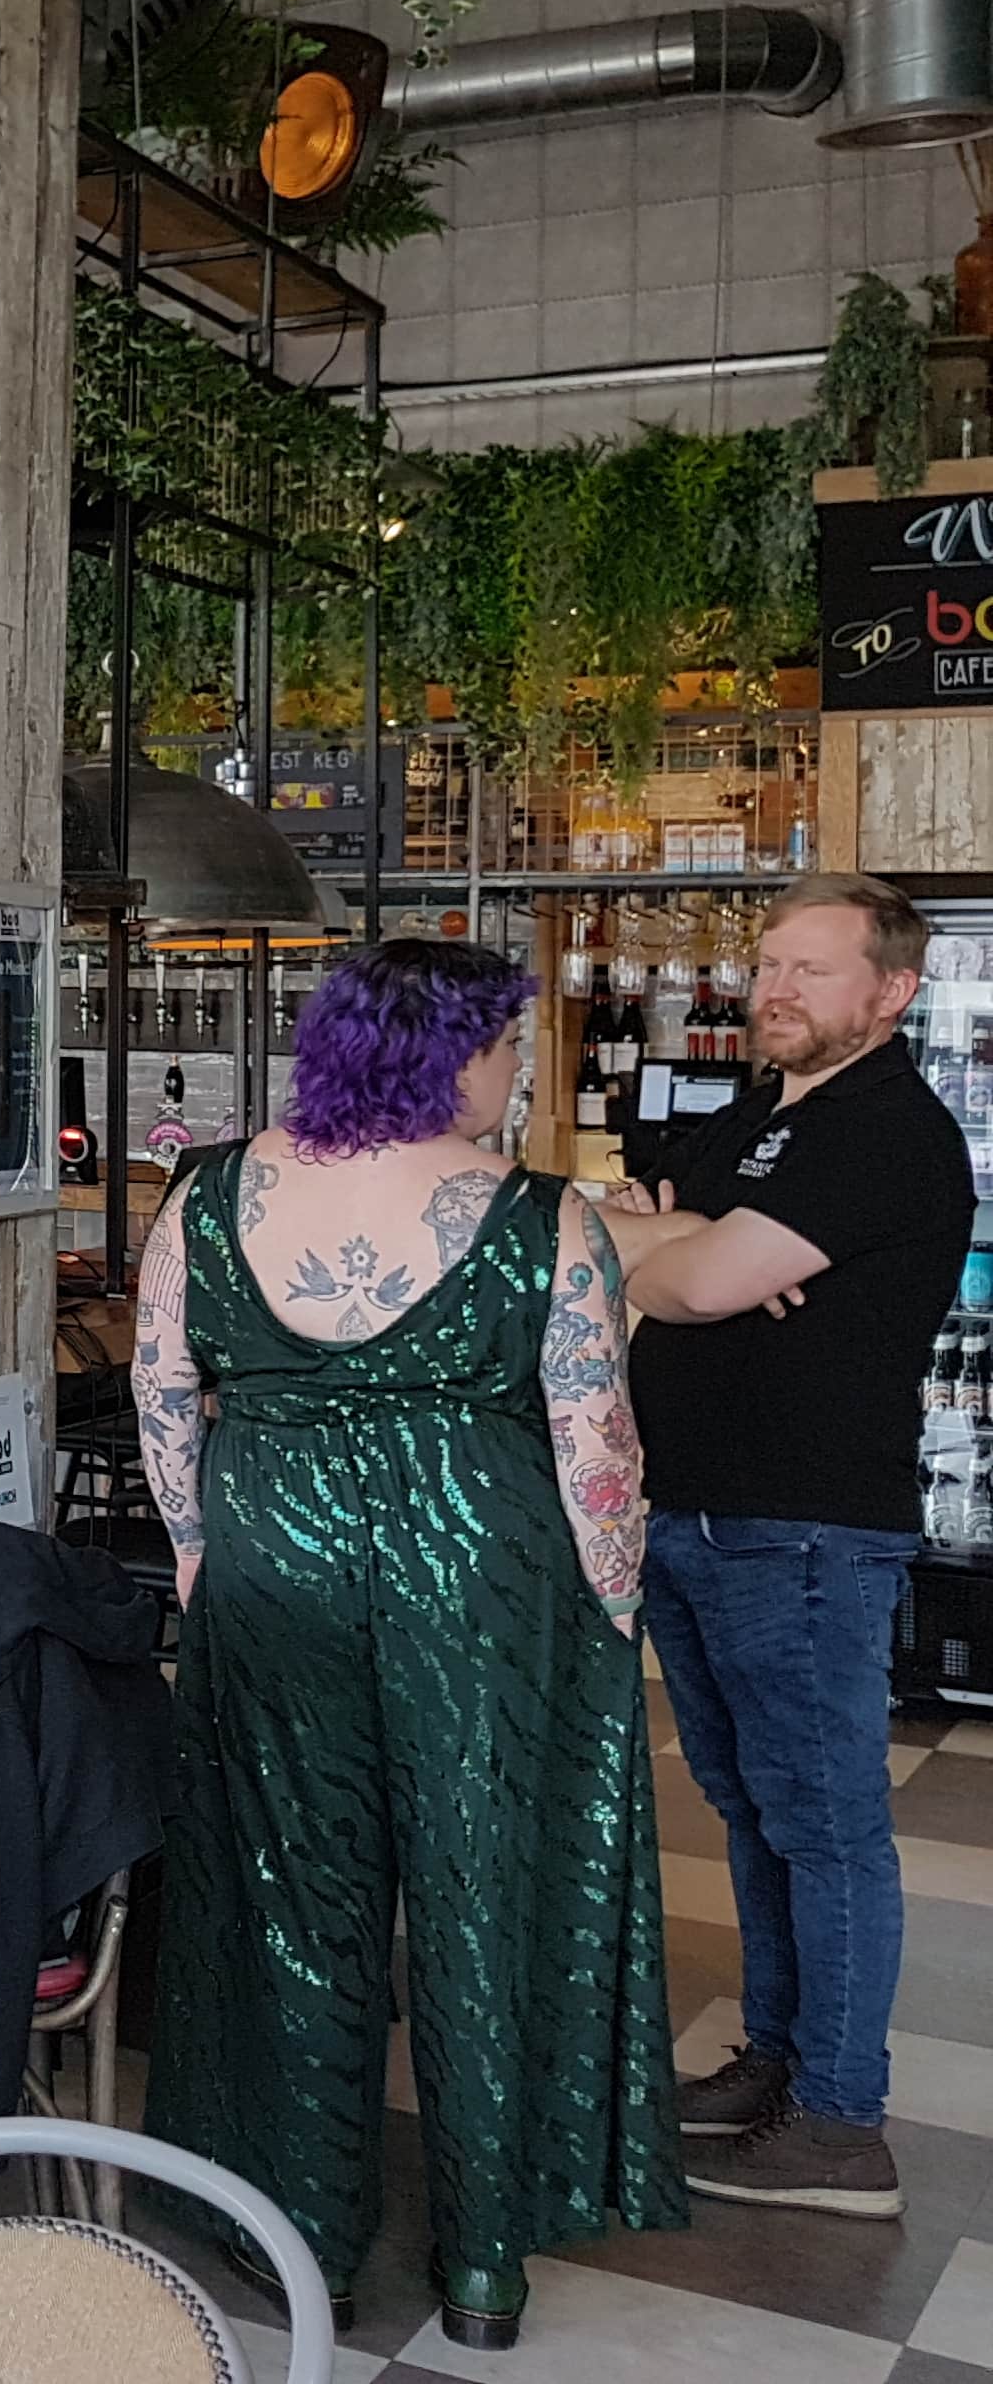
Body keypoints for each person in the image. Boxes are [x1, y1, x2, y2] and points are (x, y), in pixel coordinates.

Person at [134, 934, 680, 2353]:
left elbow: (164, 1398)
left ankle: (297, 2231)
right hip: (482, 1590)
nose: (517, 1074)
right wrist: (616, 1613)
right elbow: (596, 1450)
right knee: (484, 1896)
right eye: (506, 1046)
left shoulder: (203, 1197)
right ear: (449, 1054)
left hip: (271, 1572)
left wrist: (203, 1557)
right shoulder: (545, 1218)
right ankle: (484, 2263)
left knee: (286, 1897)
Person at [600, 872, 975, 2221]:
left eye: (811, 970)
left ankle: (840, 2124)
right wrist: (677, 1239)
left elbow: (680, 1274)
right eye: (768, 964)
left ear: (892, 992)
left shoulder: (889, 1132)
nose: (776, 989)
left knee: (823, 1824)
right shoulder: (764, 1113)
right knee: (753, 1809)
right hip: (694, 1511)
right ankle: (779, 2060)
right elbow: (653, 1238)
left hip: (805, 1527)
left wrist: (679, 1248)